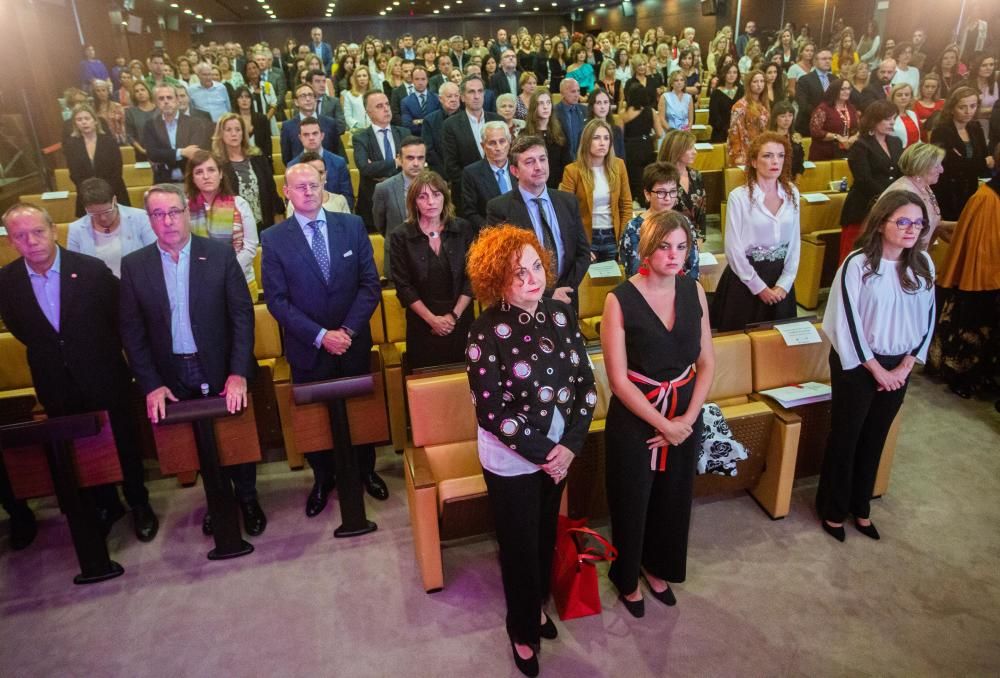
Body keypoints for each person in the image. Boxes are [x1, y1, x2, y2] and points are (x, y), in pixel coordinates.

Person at [464, 224, 596, 677]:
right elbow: (493, 412)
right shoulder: (485, 332)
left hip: (558, 452)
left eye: (535, 267)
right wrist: (548, 453)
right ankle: (521, 629)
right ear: (496, 280)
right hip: (512, 458)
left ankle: (537, 607)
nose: (530, 280)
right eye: (517, 274)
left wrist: (570, 446)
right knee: (518, 547)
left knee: (543, 537)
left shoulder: (560, 315)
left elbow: (586, 386)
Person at [0, 203, 160, 546]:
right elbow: (21, 328)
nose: (32, 241)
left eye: (38, 232)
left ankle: (139, 503)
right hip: (55, 382)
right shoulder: (7, 282)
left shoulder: (90, 270)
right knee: (81, 449)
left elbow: (120, 319)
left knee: (123, 443)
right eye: (21, 236)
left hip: (104, 375)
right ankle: (107, 504)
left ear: (53, 231)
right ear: (12, 241)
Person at [119, 184, 262, 536]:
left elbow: (242, 317)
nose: (167, 221)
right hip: (172, 371)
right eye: (158, 214)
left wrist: (238, 372)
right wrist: (150, 384)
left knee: (233, 435)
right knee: (195, 442)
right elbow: (132, 332)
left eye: (174, 212)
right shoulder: (135, 266)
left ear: (187, 213)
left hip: (219, 363)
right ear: (149, 220)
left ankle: (247, 497)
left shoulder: (218, 254)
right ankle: (217, 500)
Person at [601, 209, 713, 617]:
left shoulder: (694, 291)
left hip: (684, 413)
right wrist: (663, 424)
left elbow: (707, 364)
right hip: (637, 417)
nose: (674, 255)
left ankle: (658, 564)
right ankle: (627, 577)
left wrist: (684, 422)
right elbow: (618, 380)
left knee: (673, 497)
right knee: (633, 499)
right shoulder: (619, 299)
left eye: (682, 247)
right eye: (665, 246)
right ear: (647, 249)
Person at [262, 163, 387, 511]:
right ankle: (323, 478)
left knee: (361, 414)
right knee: (316, 419)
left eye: (313, 185)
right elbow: (277, 300)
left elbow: (369, 284)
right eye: (299, 187)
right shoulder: (273, 239)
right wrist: (320, 336)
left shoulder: (351, 225)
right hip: (308, 348)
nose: (307, 192)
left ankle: (366, 471)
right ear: (286, 192)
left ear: (323, 187)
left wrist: (345, 331)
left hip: (352, 342)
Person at [816, 190, 936, 542]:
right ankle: (834, 509)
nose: (911, 229)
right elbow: (846, 320)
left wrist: (904, 366)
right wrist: (876, 368)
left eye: (917, 223)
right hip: (857, 365)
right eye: (903, 221)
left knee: (875, 437)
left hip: (899, 366)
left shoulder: (924, 264)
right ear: (882, 223)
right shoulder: (858, 264)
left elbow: (926, 319)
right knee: (847, 436)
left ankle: (861, 507)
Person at [486, 135, 590, 308]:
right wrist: (548, 294)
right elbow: (502, 264)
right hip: (524, 303)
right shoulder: (499, 209)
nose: (539, 167)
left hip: (566, 298)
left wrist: (566, 288)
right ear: (514, 171)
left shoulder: (568, 201)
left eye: (542, 159)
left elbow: (583, 253)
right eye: (529, 162)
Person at [712, 132, 800, 330]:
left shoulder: (792, 192)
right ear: (753, 161)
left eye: (780, 155)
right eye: (767, 156)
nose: (775, 161)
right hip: (746, 279)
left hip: (779, 276)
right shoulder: (739, 197)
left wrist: (785, 283)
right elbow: (733, 250)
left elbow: (795, 242)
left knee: (778, 346)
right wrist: (759, 288)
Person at [926, 163, 1000, 398]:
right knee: (974, 327)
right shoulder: (986, 199)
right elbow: (981, 252)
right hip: (982, 278)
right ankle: (964, 377)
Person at [389, 170, 473, 369]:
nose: (431, 202)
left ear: (445, 196)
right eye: (423, 196)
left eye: (436, 194)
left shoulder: (463, 229)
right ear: (414, 202)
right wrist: (432, 320)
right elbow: (403, 286)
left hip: (461, 321)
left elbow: (472, 279)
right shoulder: (400, 235)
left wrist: (453, 317)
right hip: (422, 325)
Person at [183, 151, 260, 299]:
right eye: (199, 172)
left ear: (220, 174)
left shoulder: (240, 204)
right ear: (192, 178)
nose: (206, 176)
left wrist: (224, 272)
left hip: (240, 279)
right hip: (201, 284)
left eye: (211, 170)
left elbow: (250, 246)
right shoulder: (184, 209)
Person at [558, 118, 632, 262]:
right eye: (596, 138)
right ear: (586, 141)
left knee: (613, 282)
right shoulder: (572, 170)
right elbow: (566, 213)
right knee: (587, 283)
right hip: (586, 237)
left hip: (613, 236)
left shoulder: (619, 165)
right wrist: (580, 244)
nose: (602, 143)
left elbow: (626, 205)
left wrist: (623, 238)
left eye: (606, 138)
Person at [839, 101, 904, 261]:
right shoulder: (860, 145)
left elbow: (900, 172)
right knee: (856, 254)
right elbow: (863, 179)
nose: (892, 122)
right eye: (887, 119)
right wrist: (888, 198)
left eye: (893, 118)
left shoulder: (896, 142)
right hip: (863, 206)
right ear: (874, 120)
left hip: (890, 207)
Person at [619, 162, 699, 279]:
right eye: (661, 192)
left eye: (672, 192)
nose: (668, 198)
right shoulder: (633, 228)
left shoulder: (684, 223)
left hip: (681, 288)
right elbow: (634, 271)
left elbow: (693, 266)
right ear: (647, 194)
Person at [67, 178, 156, 277]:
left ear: (114, 200)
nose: (103, 218)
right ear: (85, 208)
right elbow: (74, 267)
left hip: (137, 281)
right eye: (94, 213)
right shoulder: (76, 229)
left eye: (107, 211)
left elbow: (153, 257)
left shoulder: (141, 218)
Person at [215, 113, 283, 234]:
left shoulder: (257, 157)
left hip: (265, 223)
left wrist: (278, 216)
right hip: (235, 229)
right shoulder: (216, 164)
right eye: (228, 130)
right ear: (221, 134)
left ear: (243, 133)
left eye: (237, 129)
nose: (234, 134)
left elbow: (271, 190)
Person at [931, 86, 992, 220]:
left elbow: (986, 160)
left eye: (972, 106)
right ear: (952, 108)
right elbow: (950, 165)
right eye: (962, 107)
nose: (968, 111)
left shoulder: (976, 128)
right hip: (948, 190)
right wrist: (982, 163)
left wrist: (978, 163)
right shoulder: (941, 131)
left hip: (971, 187)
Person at [354, 91, 409, 231]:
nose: (386, 109)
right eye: (379, 106)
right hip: (372, 204)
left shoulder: (404, 133)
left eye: (387, 104)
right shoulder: (361, 138)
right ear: (368, 112)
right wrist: (396, 162)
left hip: (404, 201)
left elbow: (412, 165)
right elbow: (365, 168)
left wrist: (377, 168)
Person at [881, 142, 953, 249]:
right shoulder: (904, 193)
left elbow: (931, 222)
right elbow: (900, 234)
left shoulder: (924, 187)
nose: (942, 170)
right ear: (921, 166)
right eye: (937, 166)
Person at [63, 104, 130, 218]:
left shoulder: (109, 142)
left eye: (87, 118)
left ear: (95, 121)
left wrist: (104, 192)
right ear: (75, 124)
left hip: (113, 191)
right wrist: (90, 192)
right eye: (79, 120)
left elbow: (117, 170)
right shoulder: (71, 145)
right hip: (86, 195)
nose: (84, 122)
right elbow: (74, 174)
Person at [442, 76, 502, 201]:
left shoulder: (498, 120)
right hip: (467, 194)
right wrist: (476, 185)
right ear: (462, 97)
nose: (476, 96)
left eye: (480, 91)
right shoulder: (451, 125)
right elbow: (451, 166)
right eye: (471, 92)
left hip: (499, 189)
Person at [374, 136, 428, 276]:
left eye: (420, 158)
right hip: (398, 258)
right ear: (400, 159)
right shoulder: (384, 188)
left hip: (430, 257)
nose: (416, 163)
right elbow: (380, 224)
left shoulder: (437, 185)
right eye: (410, 158)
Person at [142, 84, 212, 184]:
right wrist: (181, 152)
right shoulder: (150, 125)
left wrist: (166, 155)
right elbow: (153, 153)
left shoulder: (194, 123)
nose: (166, 101)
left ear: (177, 100)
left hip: (191, 178)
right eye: (161, 99)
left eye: (169, 97)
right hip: (163, 179)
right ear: (156, 103)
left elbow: (193, 152)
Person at [657, 130, 706, 261]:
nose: (695, 151)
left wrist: (698, 242)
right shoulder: (660, 178)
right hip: (668, 243)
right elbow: (657, 215)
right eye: (690, 148)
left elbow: (702, 212)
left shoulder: (696, 175)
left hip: (694, 243)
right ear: (677, 149)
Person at [287, 116, 354, 211]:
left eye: (315, 133)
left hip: (336, 216)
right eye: (306, 135)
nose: (311, 138)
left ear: (322, 135)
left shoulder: (339, 163)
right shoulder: (292, 166)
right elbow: (291, 199)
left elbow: (348, 198)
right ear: (300, 138)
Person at [461, 121, 516, 233]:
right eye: (492, 143)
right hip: (491, 236)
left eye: (502, 141)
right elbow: (470, 212)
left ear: (509, 142)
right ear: (483, 146)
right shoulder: (471, 173)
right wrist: (493, 232)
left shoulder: (520, 168)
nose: (498, 147)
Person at [280, 83, 343, 166]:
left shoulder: (330, 123)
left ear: (315, 99)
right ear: (296, 102)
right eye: (303, 96)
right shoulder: (287, 127)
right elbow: (286, 157)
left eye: (310, 95)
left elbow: (338, 152)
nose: (308, 99)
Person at [621, 83, 662, 207]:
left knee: (633, 178)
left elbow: (620, 135)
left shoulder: (624, 113)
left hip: (630, 149)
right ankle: (647, 203)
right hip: (646, 147)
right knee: (647, 178)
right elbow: (660, 133)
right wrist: (649, 138)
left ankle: (634, 202)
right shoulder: (651, 112)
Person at [808, 77, 859, 161]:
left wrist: (854, 137)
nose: (847, 92)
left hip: (847, 151)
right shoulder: (823, 108)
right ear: (835, 91)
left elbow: (860, 128)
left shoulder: (851, 107)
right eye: (842, 89)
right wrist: (836, 137)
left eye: (848, 89)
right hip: (824, 153)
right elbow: (815, 131)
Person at [287, 151, 350, 217]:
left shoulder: (340, 200)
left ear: (326, 174)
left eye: (320, 172)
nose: (317, 177)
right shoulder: (294, 203)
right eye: (311, 172)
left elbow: (349, 226)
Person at [728, 70, 770, 166]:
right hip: (745, 152)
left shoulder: (764, 104)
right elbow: (734, 133)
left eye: (762, 81)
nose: (759, 85)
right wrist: (738, 156)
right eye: (755, 82)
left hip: (762, 149)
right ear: (749, 84)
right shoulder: (739, 106)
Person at [423, 81, 461, 177]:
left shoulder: (467, 117)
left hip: (465, 173)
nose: (454, 99)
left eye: (456, 96)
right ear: (440, 99)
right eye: (449, 96)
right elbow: (429, 150)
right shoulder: (430, 120)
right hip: (440, 173)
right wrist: (444, 173)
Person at [794, 48, 833, 137]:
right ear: (815, 61)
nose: (827, 61)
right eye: (824, 59)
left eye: (830, 59)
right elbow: (803, 104)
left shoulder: (835, 79)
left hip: (830, 127)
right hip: (807, 125)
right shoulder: (804, 80)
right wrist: (821, 116)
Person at [401, 66, 440, 136]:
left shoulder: (437, 98)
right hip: (417, 139)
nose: (420, 82)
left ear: (427, 80)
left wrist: (418, 121)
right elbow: (407, 126)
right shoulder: (405, 102)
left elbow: (440, 122)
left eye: (423, 79)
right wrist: (429, 123)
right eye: (417, 79)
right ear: (412, 80)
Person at [709, 63, 742, 143]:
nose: (732, 75)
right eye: (729, 72)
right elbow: (714, 117)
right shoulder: (716, 93)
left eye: (734, 72)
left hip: (740, 132)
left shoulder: (741, 90)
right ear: (724, 74)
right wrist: (728, 130)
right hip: (720, 133)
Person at [588, 88, 625, 158]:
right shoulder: (585, 131)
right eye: (598, 103)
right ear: (592, 106)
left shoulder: (617, 130)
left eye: (605, 102)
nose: (603, 107)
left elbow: (622, 158)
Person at [914, 74, 945, 141]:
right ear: (921, 87)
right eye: (927, 86)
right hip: (921, 139)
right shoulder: (914, 103)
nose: (930, 90)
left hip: (939, 138)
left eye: (933, 87)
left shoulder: (942, 103)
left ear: (937, 88)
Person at [890, 84, 922, 148]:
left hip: (914, 152)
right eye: (899, 95)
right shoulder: (888, 116)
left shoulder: (913, 114)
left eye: (907, 95)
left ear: (911, 98)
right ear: (892, 98)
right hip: (897, 153)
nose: (903, 97)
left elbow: (918, 139)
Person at [343, 66, 372, 130]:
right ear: (355, 79)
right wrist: (357, 126)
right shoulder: (349, 95)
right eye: (359, 76)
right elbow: (347, 116)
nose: (362, 78)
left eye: (364, 75)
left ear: (369, 77)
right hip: (356, 130)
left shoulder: (374, 94)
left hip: (373, 128)